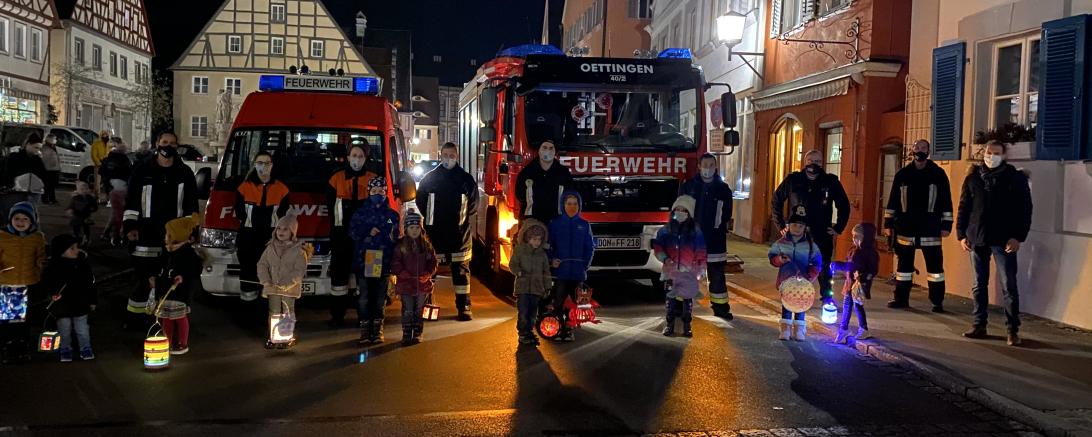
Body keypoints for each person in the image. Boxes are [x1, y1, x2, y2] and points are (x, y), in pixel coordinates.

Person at [957, 140, 1032, 346]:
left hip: (1004, 239)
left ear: (1004, 155)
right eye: (989, 152)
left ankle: (1012, 329)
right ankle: (979, 324)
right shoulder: (973, 178)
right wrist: (961, 234)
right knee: (978, 285)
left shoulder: (1015, 178)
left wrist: (1018, 237)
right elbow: (964, 207)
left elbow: (1025, 210)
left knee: (1008, 284)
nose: (991, 156)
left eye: (996, 153)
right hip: (977, 238)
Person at [122, 132, 198, 327]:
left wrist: (191, 231)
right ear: (157, 144)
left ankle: (164, 322)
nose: (168, 146)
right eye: (165, 142)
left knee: (171, 282)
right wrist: (130, 226)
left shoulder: (184, 173)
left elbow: (191, 207)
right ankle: (136, 320)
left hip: (174, 237)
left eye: (172, 143)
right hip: (146, 233)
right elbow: (131, 202)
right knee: (143, 280)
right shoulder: (142, 170)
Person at [771, 149, 849, 311]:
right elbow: (776, 200)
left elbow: (844, 205)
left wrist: (838, 228)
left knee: (823, 267)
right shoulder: (793, 180)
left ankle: (827, 298)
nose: (814, 164)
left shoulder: (830, 182)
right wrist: (781, 225)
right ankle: (793, 295)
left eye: (818, 161)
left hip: (821, 233)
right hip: (797, 234)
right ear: (804, 162)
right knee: (795, 266)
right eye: (811, 161)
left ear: (823, 163)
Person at [883, 140, 953, 312]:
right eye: (917, 148)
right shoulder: (903, 174)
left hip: (930, 228)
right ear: (912, 151)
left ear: (929, 151)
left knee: (935, 269)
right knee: (904, 269)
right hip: (906, 229)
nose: (920, 151)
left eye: (923, 148)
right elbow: (893, 200)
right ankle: (901, 298)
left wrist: (947, 225)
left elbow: (946, 201)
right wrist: (888, 223)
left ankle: (937, 301)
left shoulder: (938, 174)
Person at [416, 142, 479, 321]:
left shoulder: (466, 180)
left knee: (461, 273)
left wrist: (460, 220)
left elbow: (473, 205)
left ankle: (464, 307)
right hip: (435, 235)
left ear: (456, 156)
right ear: (440, 154)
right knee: (430, 271)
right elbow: (421, 202)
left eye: (452, 155)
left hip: (459, 235)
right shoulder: (429, 179)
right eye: (445, 155)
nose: (448, 158)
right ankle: (426, 306)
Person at [326, 142, 378, 328]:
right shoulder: (336, 179)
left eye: (361, 156)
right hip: (341, 237)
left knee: (366, 278)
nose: (357, 159)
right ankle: (337, 316)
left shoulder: (373, 179)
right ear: (348, 157)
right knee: (339, 279)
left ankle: (365, 316)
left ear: (366, 159)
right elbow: (331, 210)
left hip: (367, 239)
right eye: (354, 155)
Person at [680, 153, 734, 320]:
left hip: (715, 240)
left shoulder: (723, 189)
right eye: (705, 165)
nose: (708, 169)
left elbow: (726, 214)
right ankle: (680, 309)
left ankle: (721, 309)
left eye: (712, 165)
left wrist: (719, 228)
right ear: (699, 166)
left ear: (715, 167)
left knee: (717, 275)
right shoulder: (689, 187)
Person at [349, 176, 400, 344]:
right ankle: (365, 331)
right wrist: (367, 231)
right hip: (365, 260)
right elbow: (353, 232)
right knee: (364, 297)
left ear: (386, 193)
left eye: (381, 191)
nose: (378, 194)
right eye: (374, 191)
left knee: (379, 298)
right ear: (369, 192)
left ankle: (377, 330)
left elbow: (394, 236)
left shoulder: (392, 215)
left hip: (383, 261)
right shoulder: (360, 213)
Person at [234, 152, 290, 302]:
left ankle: (267, 313)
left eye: (267, 163)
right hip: (248, 239)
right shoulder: (244, 188)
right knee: (248, 276)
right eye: (260, 162)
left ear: (272, 165)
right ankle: (249, 314)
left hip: (270, 241)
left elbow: (283, 215)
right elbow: (239, 213)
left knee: (270, 276)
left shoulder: (282, 189)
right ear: (254, 164)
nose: (263, 166)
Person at [257, 212, 313, 349]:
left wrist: (287, 283)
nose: (281, 232)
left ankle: (286, 336)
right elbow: (262, 264)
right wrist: (266, 281)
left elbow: (299, 270)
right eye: (279, 228)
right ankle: (274, 336)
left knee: (287, 311)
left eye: (285, 229)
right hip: (272, 287)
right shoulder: (270, 248)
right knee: (274, 311)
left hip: (289, 288)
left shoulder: (299, 251)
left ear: (292, 232)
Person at [653, 195, 707, 338]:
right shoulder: (665, 230)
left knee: (687, 301)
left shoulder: (695, 232)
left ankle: (687, 326)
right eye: (677, 209)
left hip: (688, 272)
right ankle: (669, 325)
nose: (680, 212)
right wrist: (665, 259)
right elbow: (658, 247)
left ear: (689, 213)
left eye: (684, 210)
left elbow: (701, 251)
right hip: (671, 272)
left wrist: (699, 268)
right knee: (670, 300)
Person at [0, 202, 46, 363]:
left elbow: (40, 256)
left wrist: (41, 266)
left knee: (24, 317)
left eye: (25, 219)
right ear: (10, 219)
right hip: (8, 283)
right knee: (8, 317)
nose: (20, 222)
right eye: (17, 218)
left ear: (32, 221)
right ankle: (8, 342)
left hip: (28, 282)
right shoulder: (2, 236)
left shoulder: (37, 237)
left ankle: (22, 342)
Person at [152, 213, 203, 355]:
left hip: (179, 293)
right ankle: (167, 341)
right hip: (166, 290)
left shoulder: (187, 253)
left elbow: (195, 269)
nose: (165, 238)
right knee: (166, 318)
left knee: (179, 317)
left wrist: (183, 276)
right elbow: (161, 269)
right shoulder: (167, 253)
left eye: (168, 235)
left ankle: (182, 343)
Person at [546, 191, 595, 342]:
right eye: (569, 204)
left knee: (574, 303)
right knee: (559, 300)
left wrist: (585, 265)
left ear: (579, 206)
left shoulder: (584, 225)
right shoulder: (555, 224)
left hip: (578, 272)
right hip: (561, 272)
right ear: (563, 205)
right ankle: (557, 327)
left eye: (575, 204)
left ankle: (568, 328)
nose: (572, 207)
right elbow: (549, 246)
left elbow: (590, 247)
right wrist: (551, 260)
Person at [40, 234, 97, 362]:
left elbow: (90, 284)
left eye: (76, 247)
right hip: (63, 305)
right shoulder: (53, 267)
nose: (77, 250)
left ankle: (85, 348)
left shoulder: (82, 265)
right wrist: (53, 293)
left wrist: (93, 300)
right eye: (72, 248)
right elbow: (47, 283)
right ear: (61, 252)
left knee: (82, 329)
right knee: (63, 329)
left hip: (80, 303)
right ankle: (65, 348)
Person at [769, 206, 821, 342]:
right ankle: (785, 328)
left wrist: (809, 277)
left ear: (805, 228)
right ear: (788, 226)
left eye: (800, 226)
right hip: (786, 281)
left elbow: (817, 263)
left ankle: (799, 329)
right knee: (786, 305)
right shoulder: (781, 243)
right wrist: (779, 260)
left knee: (800, 305)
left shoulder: (810, 246)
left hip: (803, 282)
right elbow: (772, 258)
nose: (797, 228)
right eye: (794, 225)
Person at [391, 211, 438, 346]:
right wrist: (400, 272)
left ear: (421, 228)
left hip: (422, 284)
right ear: (406, 229)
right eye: (411, 227)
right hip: (406, 284)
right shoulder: (401, 245)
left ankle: (418, 332)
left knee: (419, 309)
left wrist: (428, 273)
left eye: (417, 227)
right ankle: (406, 332)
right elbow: (395, 261)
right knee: (408, 308)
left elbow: (433, 261)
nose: (415, 230)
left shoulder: (426, 245)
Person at [831, 223, 879, 344]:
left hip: (859, 284)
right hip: (850, 282)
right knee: (847, 305)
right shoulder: (853, 249)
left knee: (857, 305)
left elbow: (870, 269)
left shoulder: (869, 252)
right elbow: (850, 265)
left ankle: (863, 328)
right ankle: (844, 329)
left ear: (865, 238)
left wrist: (864, 277)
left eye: (857, 237)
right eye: (853, 236)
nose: (854, 239)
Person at [510, 219, 551, 346]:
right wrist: (519, 272)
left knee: (533, 313)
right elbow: (512, 264)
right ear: (527, 238)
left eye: (539, 239)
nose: (536, 242)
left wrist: (547, 287)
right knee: (523, 312)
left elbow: (546, 272)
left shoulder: (542, 255)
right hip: (522, 288)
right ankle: (523, 333)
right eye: (534, 239)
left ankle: (529, 331)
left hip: (536, 289)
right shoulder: (520, 251)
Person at [515, 140, 573, 224]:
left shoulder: (563, 174)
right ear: (539, 150)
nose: (547, 151)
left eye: (551, 148)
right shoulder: (527, 173)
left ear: (555, 152)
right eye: (544, 147)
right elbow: (520, 195)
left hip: (556, 221)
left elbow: (569, 195)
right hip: (531, 221)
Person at [0, 132, 48, 213]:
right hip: (15, 193)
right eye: (36, 147)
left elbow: (43, 175)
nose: (38, 150)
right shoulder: (14, 157)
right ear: (28, 145)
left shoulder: (37, 160)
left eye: (39, 148)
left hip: (33, 193)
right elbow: (7, 174)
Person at [99, 140, 133, 245]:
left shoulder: (107, 159)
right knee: (119, 214)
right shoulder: (124, 160)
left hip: (111, 188)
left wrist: (105, 187)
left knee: (115, 212)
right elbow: (129, 174)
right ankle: (115, 236)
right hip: (120, 188)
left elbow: (102, 173)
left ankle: (107, 233)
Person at [40, 134, 61, 205]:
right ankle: (45, 199)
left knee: (52, 186)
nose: (56, 140)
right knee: (47, 185)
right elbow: (45, 159)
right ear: (49, 140)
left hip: (54, 169)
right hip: (48, 170)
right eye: (54, 139)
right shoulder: (45, 148)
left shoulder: (53, 147)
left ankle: (52, 199)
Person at [90, 130, 110, 202]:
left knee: (106, 182)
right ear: (101, 136)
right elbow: (93, 155)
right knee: (97, 183)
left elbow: (108, 153)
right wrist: (99, 163)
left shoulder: (107, 144)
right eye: (105, 135)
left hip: (106, 165)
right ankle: (96, 197)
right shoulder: (96, 144)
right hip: (99, 165)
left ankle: (107, 198)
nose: (106, 136)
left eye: (107, 135)